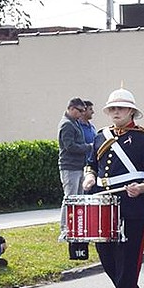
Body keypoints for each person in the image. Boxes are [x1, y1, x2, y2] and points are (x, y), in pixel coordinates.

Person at [83, 88, 144, 288]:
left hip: (133, 206)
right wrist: (89, 177)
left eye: (121, 108)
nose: (116, 112)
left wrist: (142, 187)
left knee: (128, 262)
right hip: (105, 205)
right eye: (112, 109)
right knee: (107, 258)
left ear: (130, 111)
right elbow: (91, 164)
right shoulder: (100, 136)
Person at [58, 98, 89, 237]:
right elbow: (69, 146)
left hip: (77, 166)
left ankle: (76, 225)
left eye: (83, 111)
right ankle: (65, 227)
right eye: (80, 111)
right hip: (70, 166)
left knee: (79, 197)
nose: (82, 113)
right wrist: (88, 147)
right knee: (70, 197)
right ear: (71, 108)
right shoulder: (67, 125)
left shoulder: (74, 122)